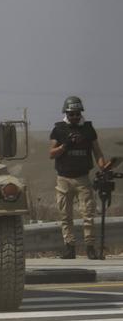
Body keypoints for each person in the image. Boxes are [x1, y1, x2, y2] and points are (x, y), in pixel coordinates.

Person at [50, 96, 110, 259]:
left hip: (82, 177)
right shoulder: (59, 129)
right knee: (65, 215)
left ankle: (90, 247)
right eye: (72, 114)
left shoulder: (88, 129)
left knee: (88, 214)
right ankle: (69, 248)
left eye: (77, 114)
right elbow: (51, 153)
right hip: (63, 179)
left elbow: (97, 152)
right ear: (66, 113)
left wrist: (104, 167)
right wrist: (65, 145)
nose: (75, 117)